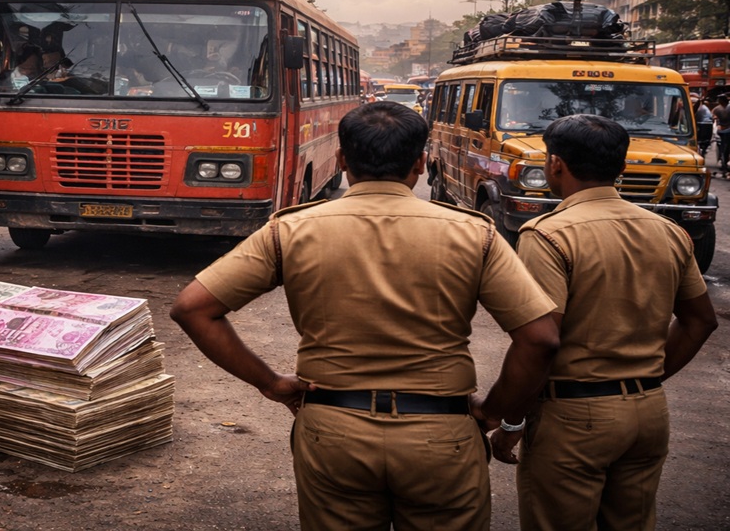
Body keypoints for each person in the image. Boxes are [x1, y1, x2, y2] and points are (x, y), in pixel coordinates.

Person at [170, 101, 561, 530]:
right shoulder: (474, 233)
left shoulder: (291, 230)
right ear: (421, 163)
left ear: (341, 161)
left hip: (333, 430)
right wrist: (493, 412)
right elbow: (539, 338)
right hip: (440, 434)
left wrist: (272, 384)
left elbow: (193, 308)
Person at [493, 114, 717, 531]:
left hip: (575, 417)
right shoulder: (667, 231)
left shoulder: (548, 234)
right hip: (648, 412)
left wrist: (510, 421)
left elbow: (541, 341)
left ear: (555, 165)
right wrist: (642, 380)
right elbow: (700, 321)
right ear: (623, 167)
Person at [712, 95, 730, 176]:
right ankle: (724, 164)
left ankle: (724, 164)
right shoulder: (719, 108)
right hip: (724, 131)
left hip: (726, 131)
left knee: (724, 149)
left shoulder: (727, 108)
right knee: (724, 149)